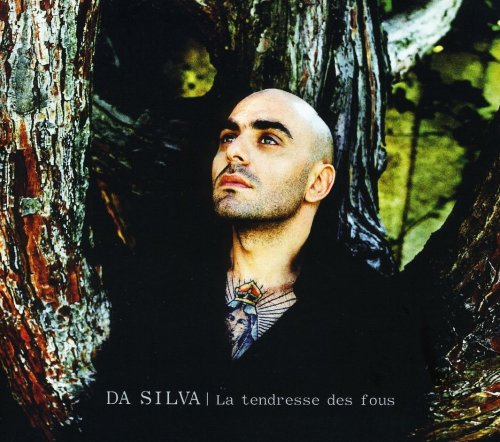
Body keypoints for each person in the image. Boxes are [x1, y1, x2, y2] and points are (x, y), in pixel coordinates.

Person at [69, 89, 428, 442]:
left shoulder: (373, 316)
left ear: (318, 182)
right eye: (228, 137)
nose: (234, 151)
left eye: (268, 139)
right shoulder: (154, 286)